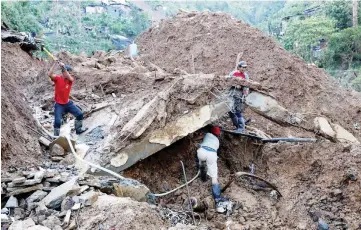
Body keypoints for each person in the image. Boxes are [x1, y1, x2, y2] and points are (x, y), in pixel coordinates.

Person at [48, 61, 88, 136]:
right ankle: (55, 137)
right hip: (59, 104)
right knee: (57, 122)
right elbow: (49, 74)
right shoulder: (57, 79)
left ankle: (78, 130)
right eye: (69, 72)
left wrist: (63, 67)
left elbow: (68, 76)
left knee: (79, 114)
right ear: (63, 72)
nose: (70, 74)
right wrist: (54, 63)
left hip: (67, 103)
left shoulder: (70, 80)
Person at [196, 126, 228, 213]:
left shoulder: (207, 134)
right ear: (218, 134)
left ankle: (201, 170)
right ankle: (217, 198)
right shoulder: (217, 141)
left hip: (202, 152)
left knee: (200, 160)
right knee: (214, 177)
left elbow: (198, 138)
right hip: (212, 154)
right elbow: (217, 150)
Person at [227, 61, 250, 133]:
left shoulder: (245, 76)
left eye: (245, 67)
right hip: (232, 93)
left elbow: (247, 86)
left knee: (237, 111)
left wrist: (245, 94)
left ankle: (241, 127)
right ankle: (237, 124)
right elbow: (228, 81)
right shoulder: (233, 73)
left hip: (239, 94)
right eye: (243, 67)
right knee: (230, 111)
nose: (244, 69)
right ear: (239, 67)